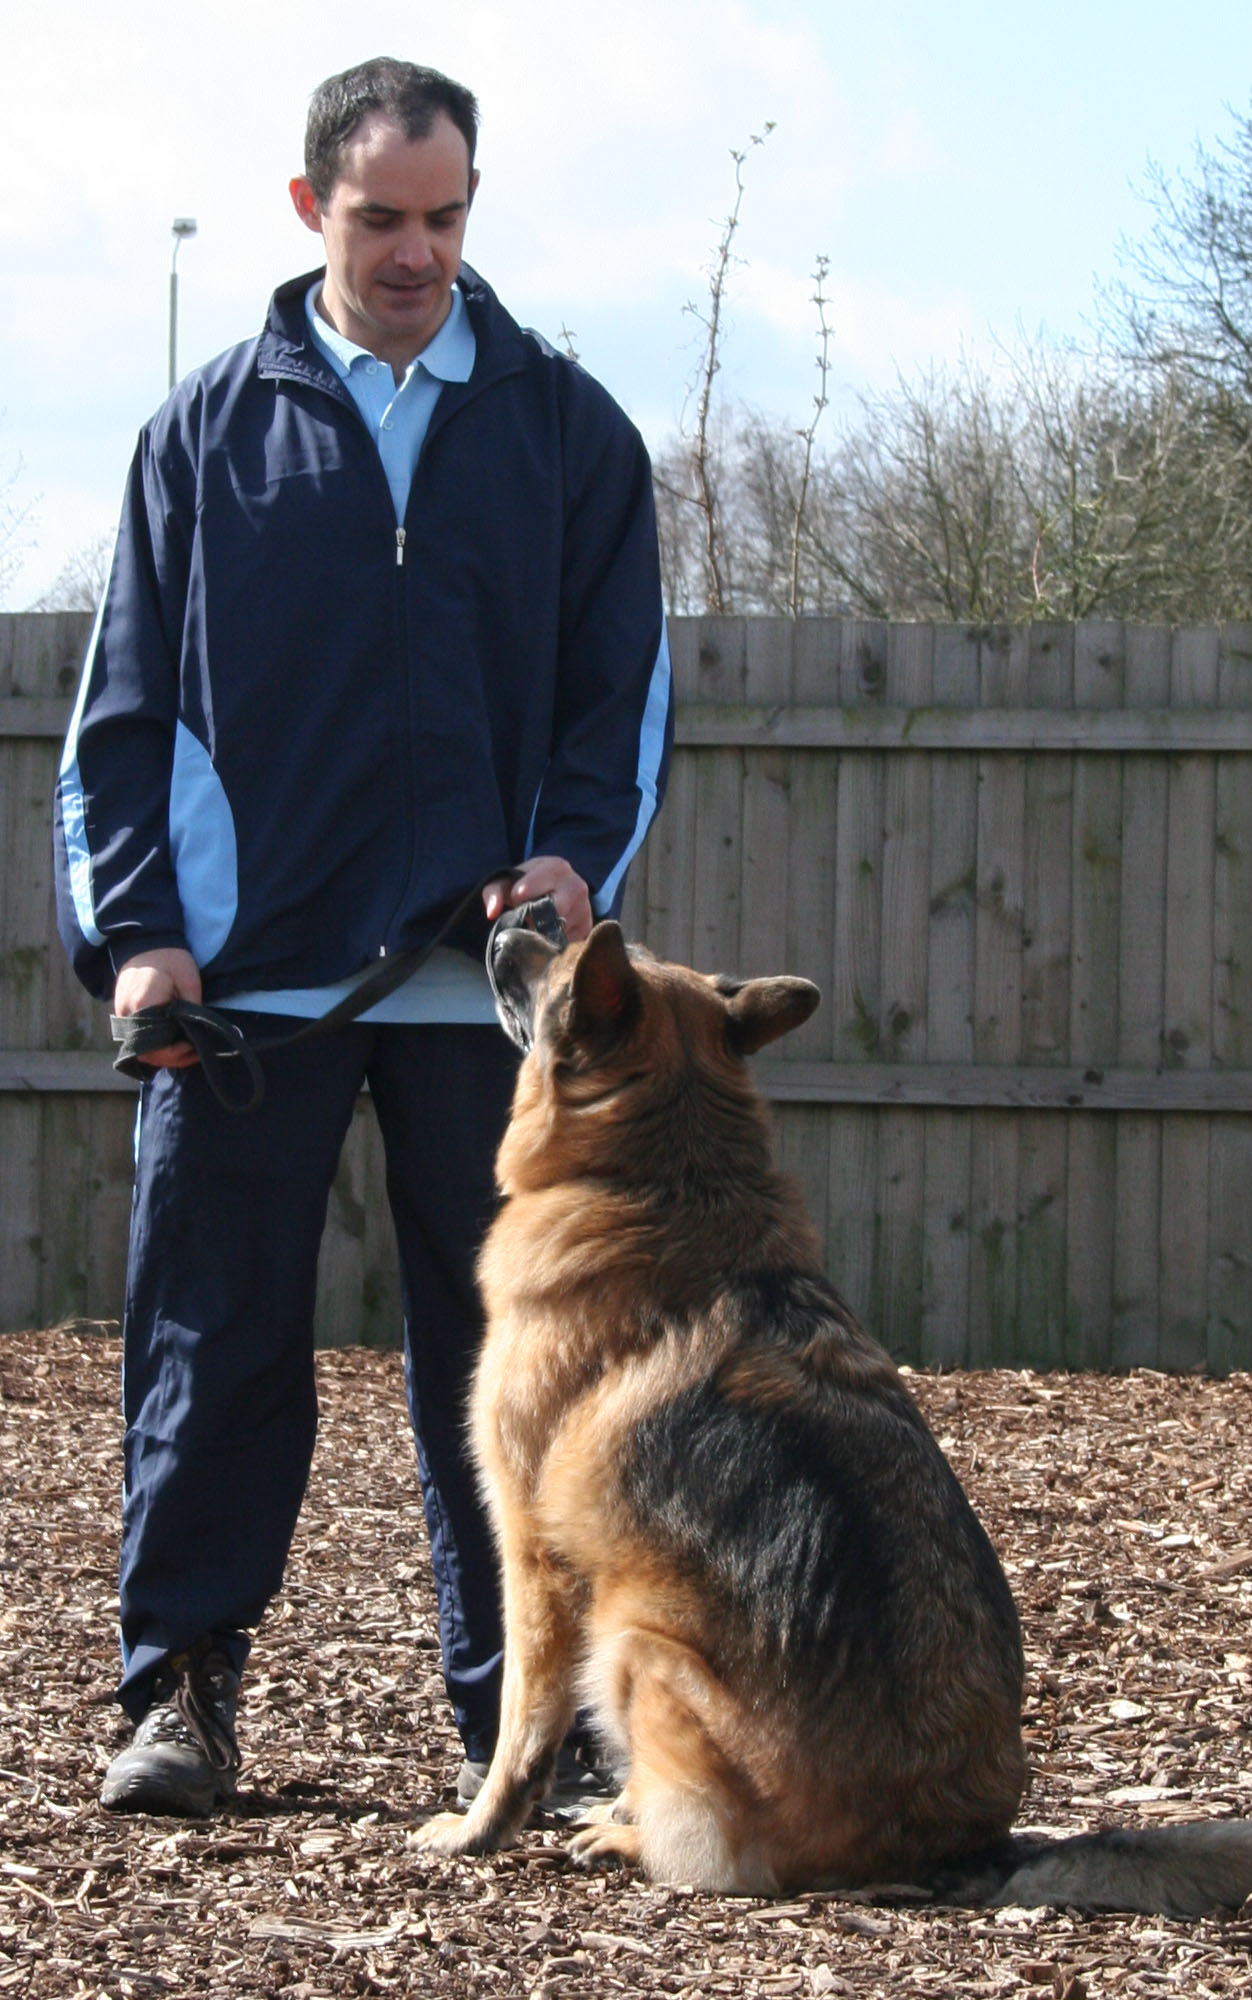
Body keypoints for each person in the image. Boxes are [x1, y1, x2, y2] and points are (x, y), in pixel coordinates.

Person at [53, 56, 673, 1817]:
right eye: (383, 216)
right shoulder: (200, 437)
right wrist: (141, 941)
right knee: (209, 1336)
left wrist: (566, 864)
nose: (417, 252)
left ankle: (529, 1724)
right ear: (308, 206)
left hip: (482, 997)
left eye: (447, 216)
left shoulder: (566, 430)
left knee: (513, 1361)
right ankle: (179, 1693)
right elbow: (120, 721)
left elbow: (618, 699)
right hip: (247, 986)